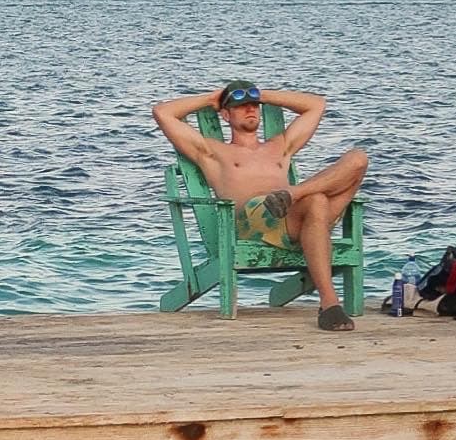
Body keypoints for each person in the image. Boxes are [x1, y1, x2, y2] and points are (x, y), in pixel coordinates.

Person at [152, 80, 369, 331]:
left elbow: (316, 104)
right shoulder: (212, 152)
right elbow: (162, 112)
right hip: (254, 221)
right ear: (225, 114)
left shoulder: (280, 146)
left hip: (297, 215)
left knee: (358, 159)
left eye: (254, 105)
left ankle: (293, 193)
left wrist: (264, 95)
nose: (251, 110)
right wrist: (213, 98)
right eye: (241, 106)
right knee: (317, 199)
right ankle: (330, 303)